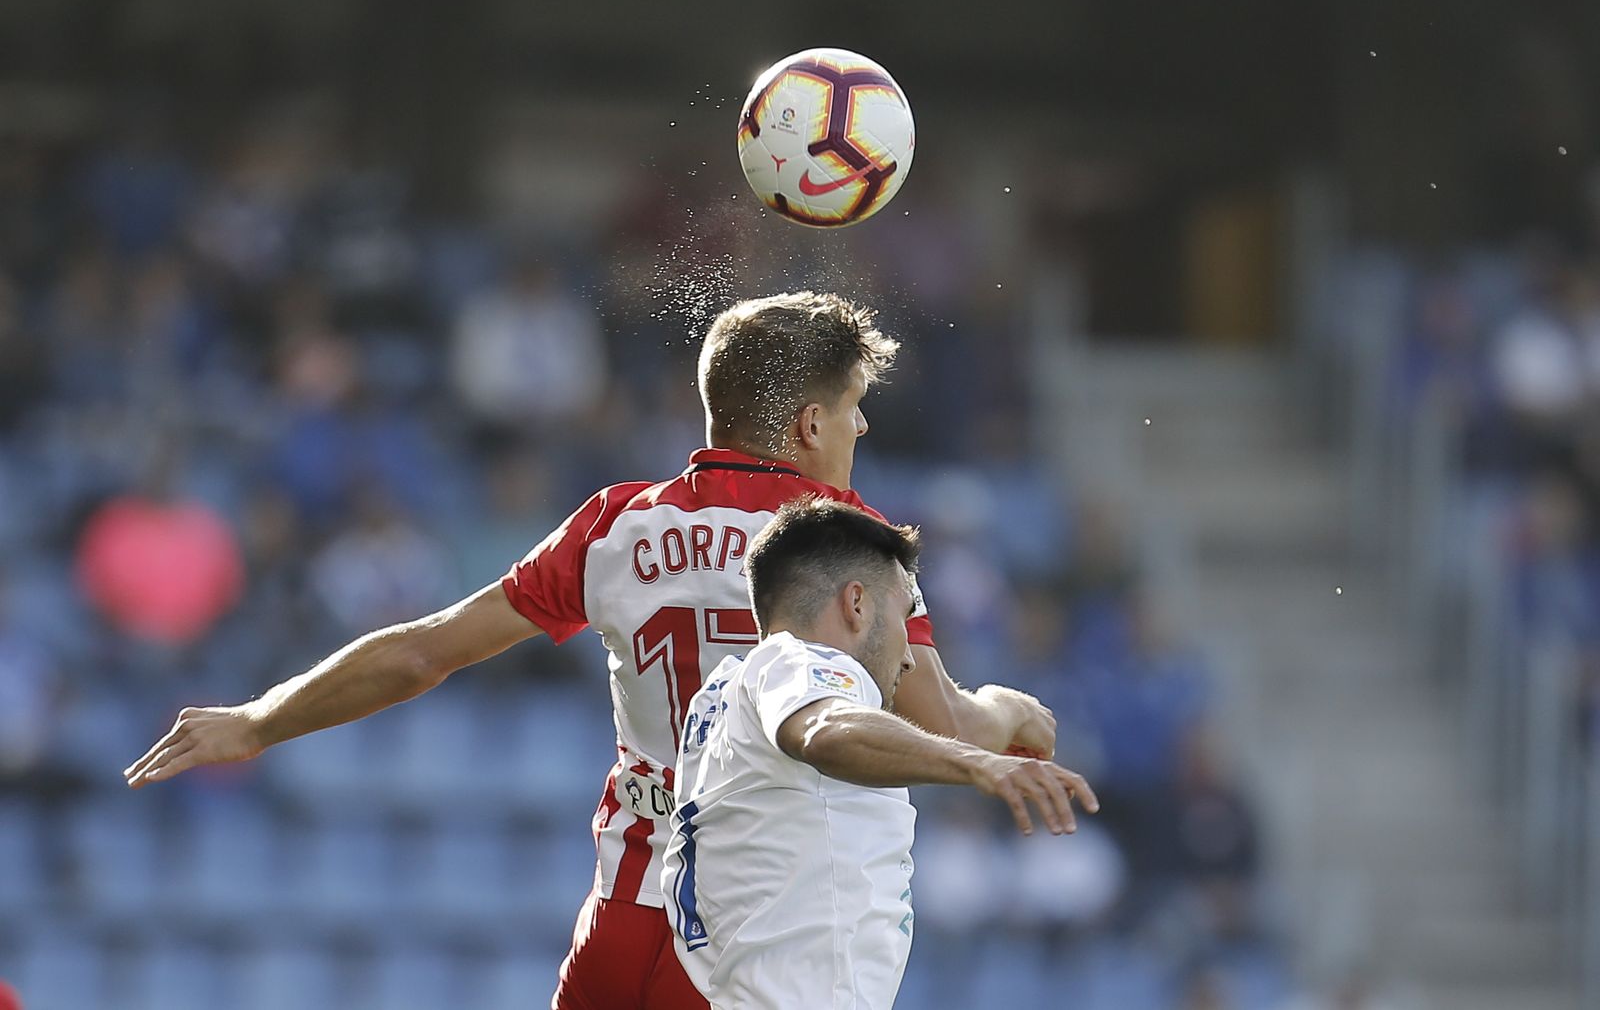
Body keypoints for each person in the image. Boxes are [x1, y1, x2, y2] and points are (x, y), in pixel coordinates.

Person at [123, 291, 1059, 1010]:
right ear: (810, 424)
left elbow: (421, 655)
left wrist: (255, 721)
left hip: (623, 916)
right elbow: (938, 725)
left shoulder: (618, 526)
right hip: (755, 932)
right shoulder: (849, 543)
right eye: (854, 407)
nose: (861, 428)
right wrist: (1015, 714)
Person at [663, 498, 1097, 1010]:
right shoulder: (797, 661)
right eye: (904, 617)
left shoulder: (724, 691)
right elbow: (824, 729)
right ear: (856, 604)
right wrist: (979, 763)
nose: (909, 653)